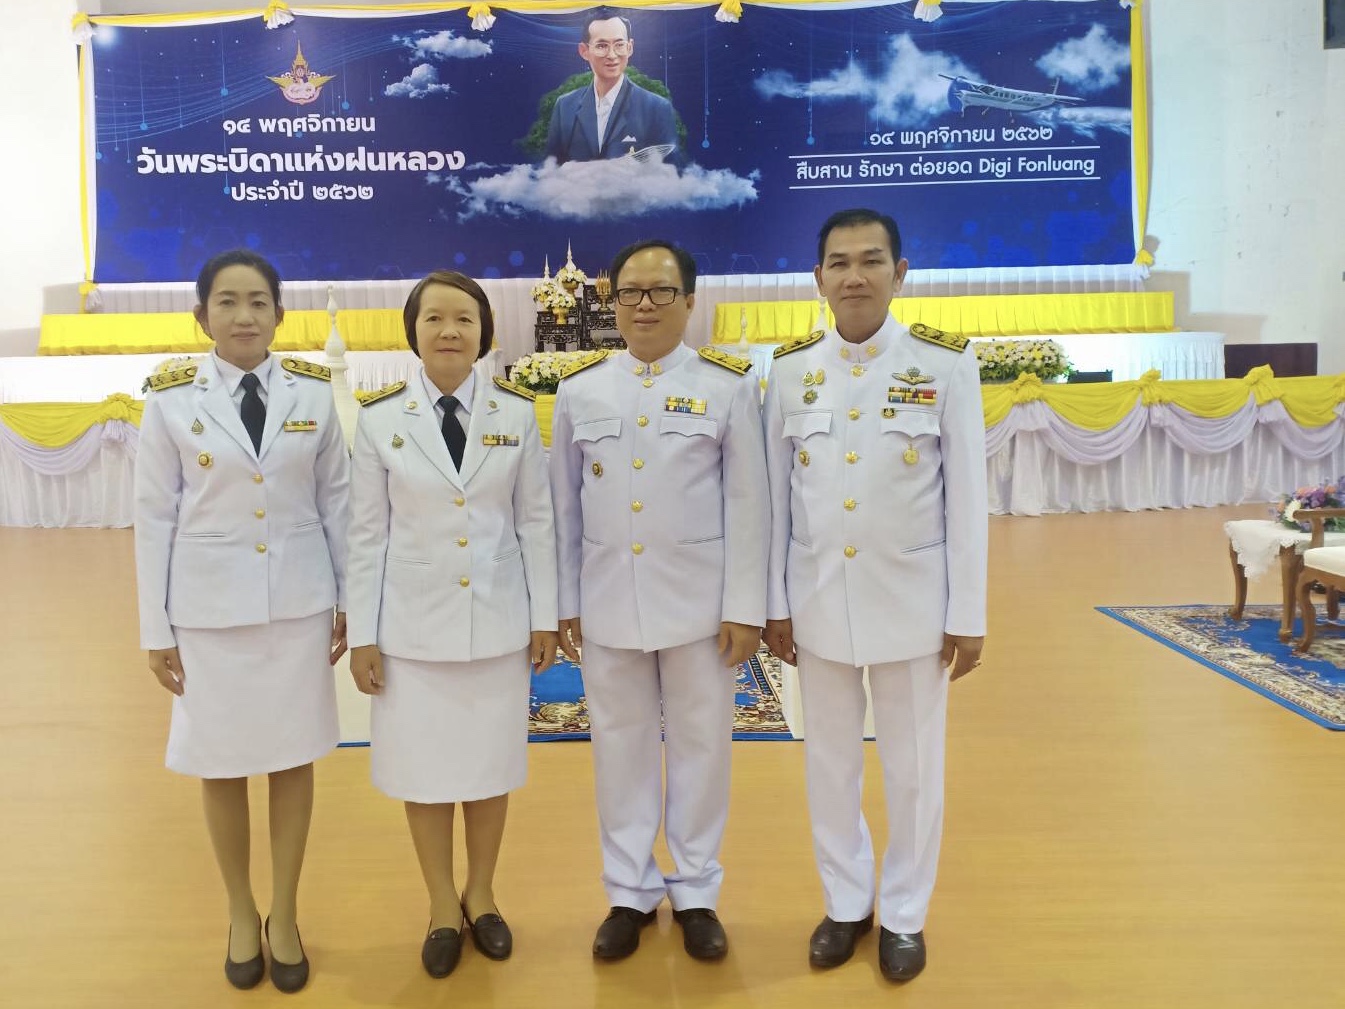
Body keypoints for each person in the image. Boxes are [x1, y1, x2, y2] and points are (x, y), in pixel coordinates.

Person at [762, 208, 988, 983]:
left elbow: (967, 500)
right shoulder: (789, 371)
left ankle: (903, 913)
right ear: (816, 278)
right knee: (827, 764)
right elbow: (773, 501)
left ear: (900, 272)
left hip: (914, 607)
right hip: (817, 603)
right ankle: (846, 902)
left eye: (869, 260)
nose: (853, 275)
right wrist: (773, 604)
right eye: (837, 262)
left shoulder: (945, 366)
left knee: (913, 768)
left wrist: (968, 613)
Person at [133, 249, 350, 994]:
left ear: (279, 315)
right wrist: (152, 627)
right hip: (207, 613)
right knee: (219, 762)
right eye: (227, 302)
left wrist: (351, 600)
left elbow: (338, 506)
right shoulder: (167, 400)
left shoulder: (315, 395)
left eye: (258, 301)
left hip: (296, 603)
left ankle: (284, 913)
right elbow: (152, 516)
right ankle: (238, 908)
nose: (244, 315)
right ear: (202, 318)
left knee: (292, 758)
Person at [550, 239, 768, 962]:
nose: (644, 305)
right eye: (631, 292)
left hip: (700, 608)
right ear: (610, 301)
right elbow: (563, 508)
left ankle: (698, 888)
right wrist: (563, 602)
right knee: (619, 747)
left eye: (661, 292)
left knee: (704, 746)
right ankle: (629, 891)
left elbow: (749, 504)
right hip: (609, 601)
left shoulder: (727, 386)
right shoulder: (581, 389)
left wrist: (746, 605)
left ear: (688, 300)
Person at [345, 271, 559, 979]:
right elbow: (366, 533)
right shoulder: (379, 418)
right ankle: (441, 903)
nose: (448, 331)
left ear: (483, 332)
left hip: (496, 622)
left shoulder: (516, 413)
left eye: (463, 319)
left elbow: (534, 521)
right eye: (433, 318)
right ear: (412, 330)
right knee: (425, 771)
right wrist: (366, 632)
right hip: (412, 629)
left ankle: (482, 892)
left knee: (489, 766)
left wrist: (543, 616)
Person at [545, 12, 684, 167]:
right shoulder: (565, 106)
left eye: (619, 45)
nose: (612, 55)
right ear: (584, 51)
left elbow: (671, 174)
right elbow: (551, 169)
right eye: (601, 46)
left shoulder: (657, 108)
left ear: (630, 47)